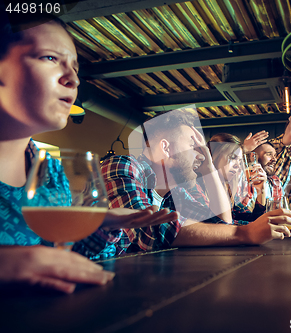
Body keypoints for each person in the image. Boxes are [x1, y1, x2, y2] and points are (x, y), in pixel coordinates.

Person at [0, 14, 177, 292]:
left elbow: (67, 260)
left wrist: (98, 224)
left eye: (74, 66)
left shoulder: (49, 169)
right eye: (49, 58)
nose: (73, 79)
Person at [101, 109, 291, 252]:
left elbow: (221, 223)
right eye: (192, 145)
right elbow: (149, 232)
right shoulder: (122, 166)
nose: (202, 155)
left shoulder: (175, 192)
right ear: (166, 148)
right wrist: (244, 233)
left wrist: (210, 167)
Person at [207, 133, 267, 223]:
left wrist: (261, 190)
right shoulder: (199, 188)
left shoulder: (227, 189)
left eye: (239, 161)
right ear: (212, 157)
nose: (238, 166)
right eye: (232, 158)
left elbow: (252, 218)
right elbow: (221, 225)